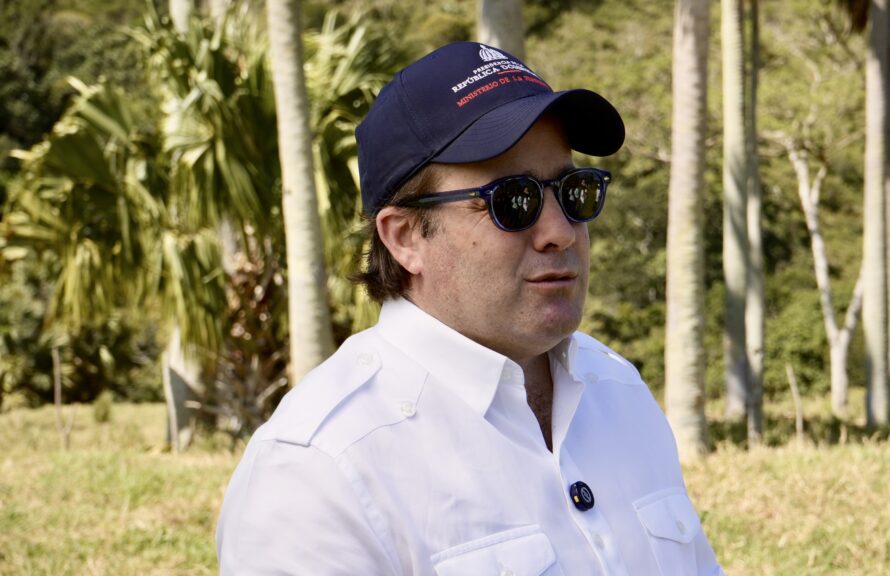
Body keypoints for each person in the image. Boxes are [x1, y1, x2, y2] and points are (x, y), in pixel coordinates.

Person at [217, 41, 723, 575]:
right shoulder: (317, 470)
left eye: (574, 191)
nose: (560, 231)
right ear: (405, 237)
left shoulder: (618, 390)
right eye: (513, 200)